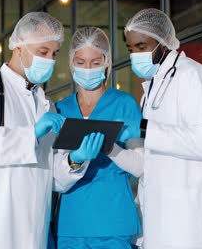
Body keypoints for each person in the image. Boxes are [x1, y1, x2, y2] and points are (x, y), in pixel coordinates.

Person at [0, 12, 105, 249]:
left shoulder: (46, 105)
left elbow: (52, 176)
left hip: (33, 227)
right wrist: (31, 133)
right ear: (19, 48)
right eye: (43, 52)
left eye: (54, 54)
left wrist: (75, 160)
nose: (49, 59)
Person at [124, 8, 202, 248]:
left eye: (141, 47)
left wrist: (145, 129)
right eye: (131, 49)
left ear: (163, 43)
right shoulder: (151, 89)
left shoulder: (194, 76)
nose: (135, 55)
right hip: (159, 217)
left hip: (189, 220)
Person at [54, 27, 143, 249]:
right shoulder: (60, 109)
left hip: (114, 222)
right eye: (81, 62)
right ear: (71, 62)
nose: (88, 69)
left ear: (106, 62)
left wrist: (112, 149)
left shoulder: (124, 104)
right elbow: (54, 175)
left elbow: (142, 166)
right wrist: (76, 158)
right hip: (71, 224)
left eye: (95, 62)